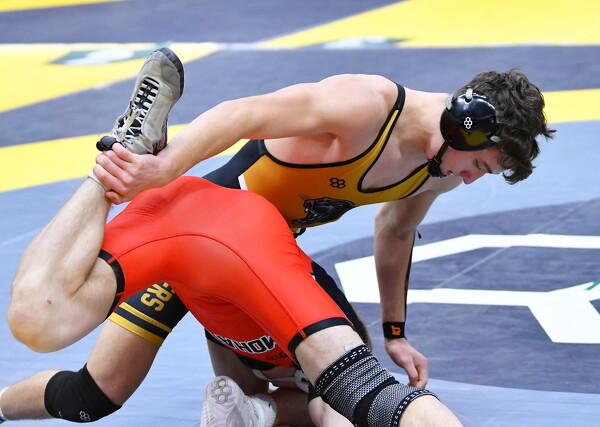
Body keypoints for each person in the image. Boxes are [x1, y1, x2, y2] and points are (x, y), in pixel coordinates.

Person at [4, 48, 463, 427]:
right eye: (481, 163)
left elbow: (397, 231)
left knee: (77, 368)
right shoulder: (366, 105)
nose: (472, 177)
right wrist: (163, 167)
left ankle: (117, 157)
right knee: (346, 389)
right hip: (238, 239)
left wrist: (395, 331)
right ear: (466, 127)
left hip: (221, 242)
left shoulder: (437, 174)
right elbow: (241, 113)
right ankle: (120, 160)